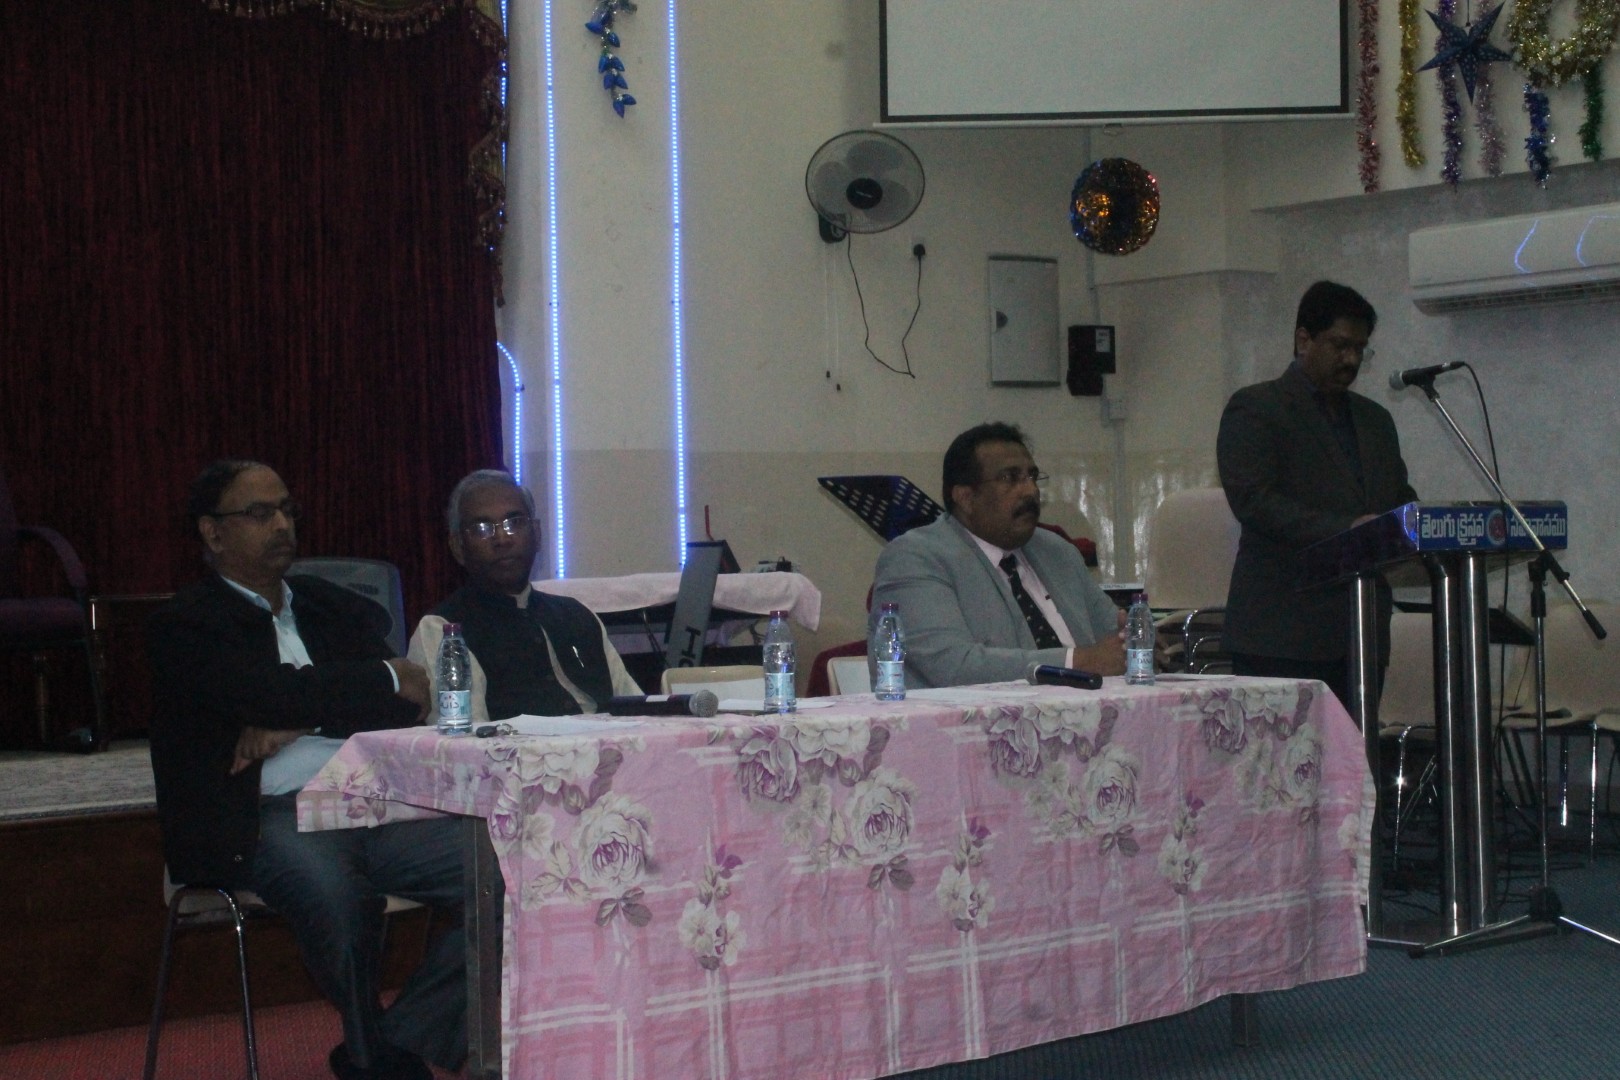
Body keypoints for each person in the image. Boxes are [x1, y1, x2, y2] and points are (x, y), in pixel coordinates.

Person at [147, 460, 465, 1080]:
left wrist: (294, 717)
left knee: (507, 869)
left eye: (287, 510)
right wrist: (349, 690)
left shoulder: (329, 606)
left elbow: (408, 699)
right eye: (259, 513)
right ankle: (375, 1060)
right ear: (213, 533)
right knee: (340, 902)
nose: (281, 525)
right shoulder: (184, 624)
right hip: (260, 818)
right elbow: (269, 692)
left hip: (369, 803)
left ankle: (398, 1035)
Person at [1217, 280, 1418, 707]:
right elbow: (1254, 501)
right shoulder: (1256, 408)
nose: (1351, 360)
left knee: (1356, 751)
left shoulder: (1376, 421)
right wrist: (1349, 530)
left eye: (1360, 349)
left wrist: (1415, 525)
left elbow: (1398, 497)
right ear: (1303, 340)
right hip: (1281, 635)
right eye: (1340, 345)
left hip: (1361, 635)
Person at [870, 422, 1125, 688]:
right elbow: (952, 666)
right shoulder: (914, 558)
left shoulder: (1057, 552)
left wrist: (1137, 639)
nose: (1030, 490)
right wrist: (1077, 662)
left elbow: (1115, 640)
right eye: (1009, 478)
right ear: (966, 497)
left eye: (1032, 476)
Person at [406, 469, 641, 722]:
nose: (502, 539)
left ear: (537, 534)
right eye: (482, 528)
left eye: (514, 523)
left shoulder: (578, 615)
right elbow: (464, 739)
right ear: (458, 548)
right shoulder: (444, 631)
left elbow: (636, 710)